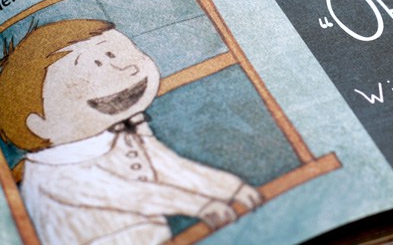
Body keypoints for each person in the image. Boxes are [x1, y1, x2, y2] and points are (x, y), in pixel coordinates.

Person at [0, 19, 262, 245]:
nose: (127, 69)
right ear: (38, 123)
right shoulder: (51, 173)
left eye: (115, 54)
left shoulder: (122, 133)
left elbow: (169, 167)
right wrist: (197, 205)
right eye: (95, 67)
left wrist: (229, 188)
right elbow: (126, 194)